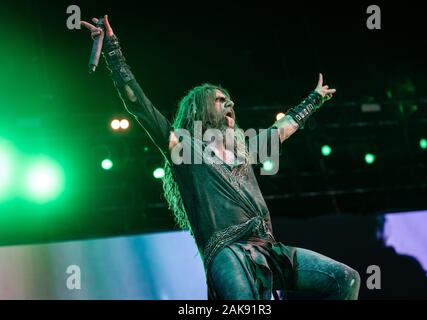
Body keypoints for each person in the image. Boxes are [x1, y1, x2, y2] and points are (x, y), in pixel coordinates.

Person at [81, 15, 361, 300]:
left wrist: (313, 99)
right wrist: (113, 51)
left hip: (267, 249)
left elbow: (282, 129)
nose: (230, 103)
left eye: (229, 99)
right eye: (219, 99)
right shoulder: (184, 149)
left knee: (346, 279)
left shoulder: (244, 150)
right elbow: (138, 104)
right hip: (226, 251)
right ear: (199, 110)